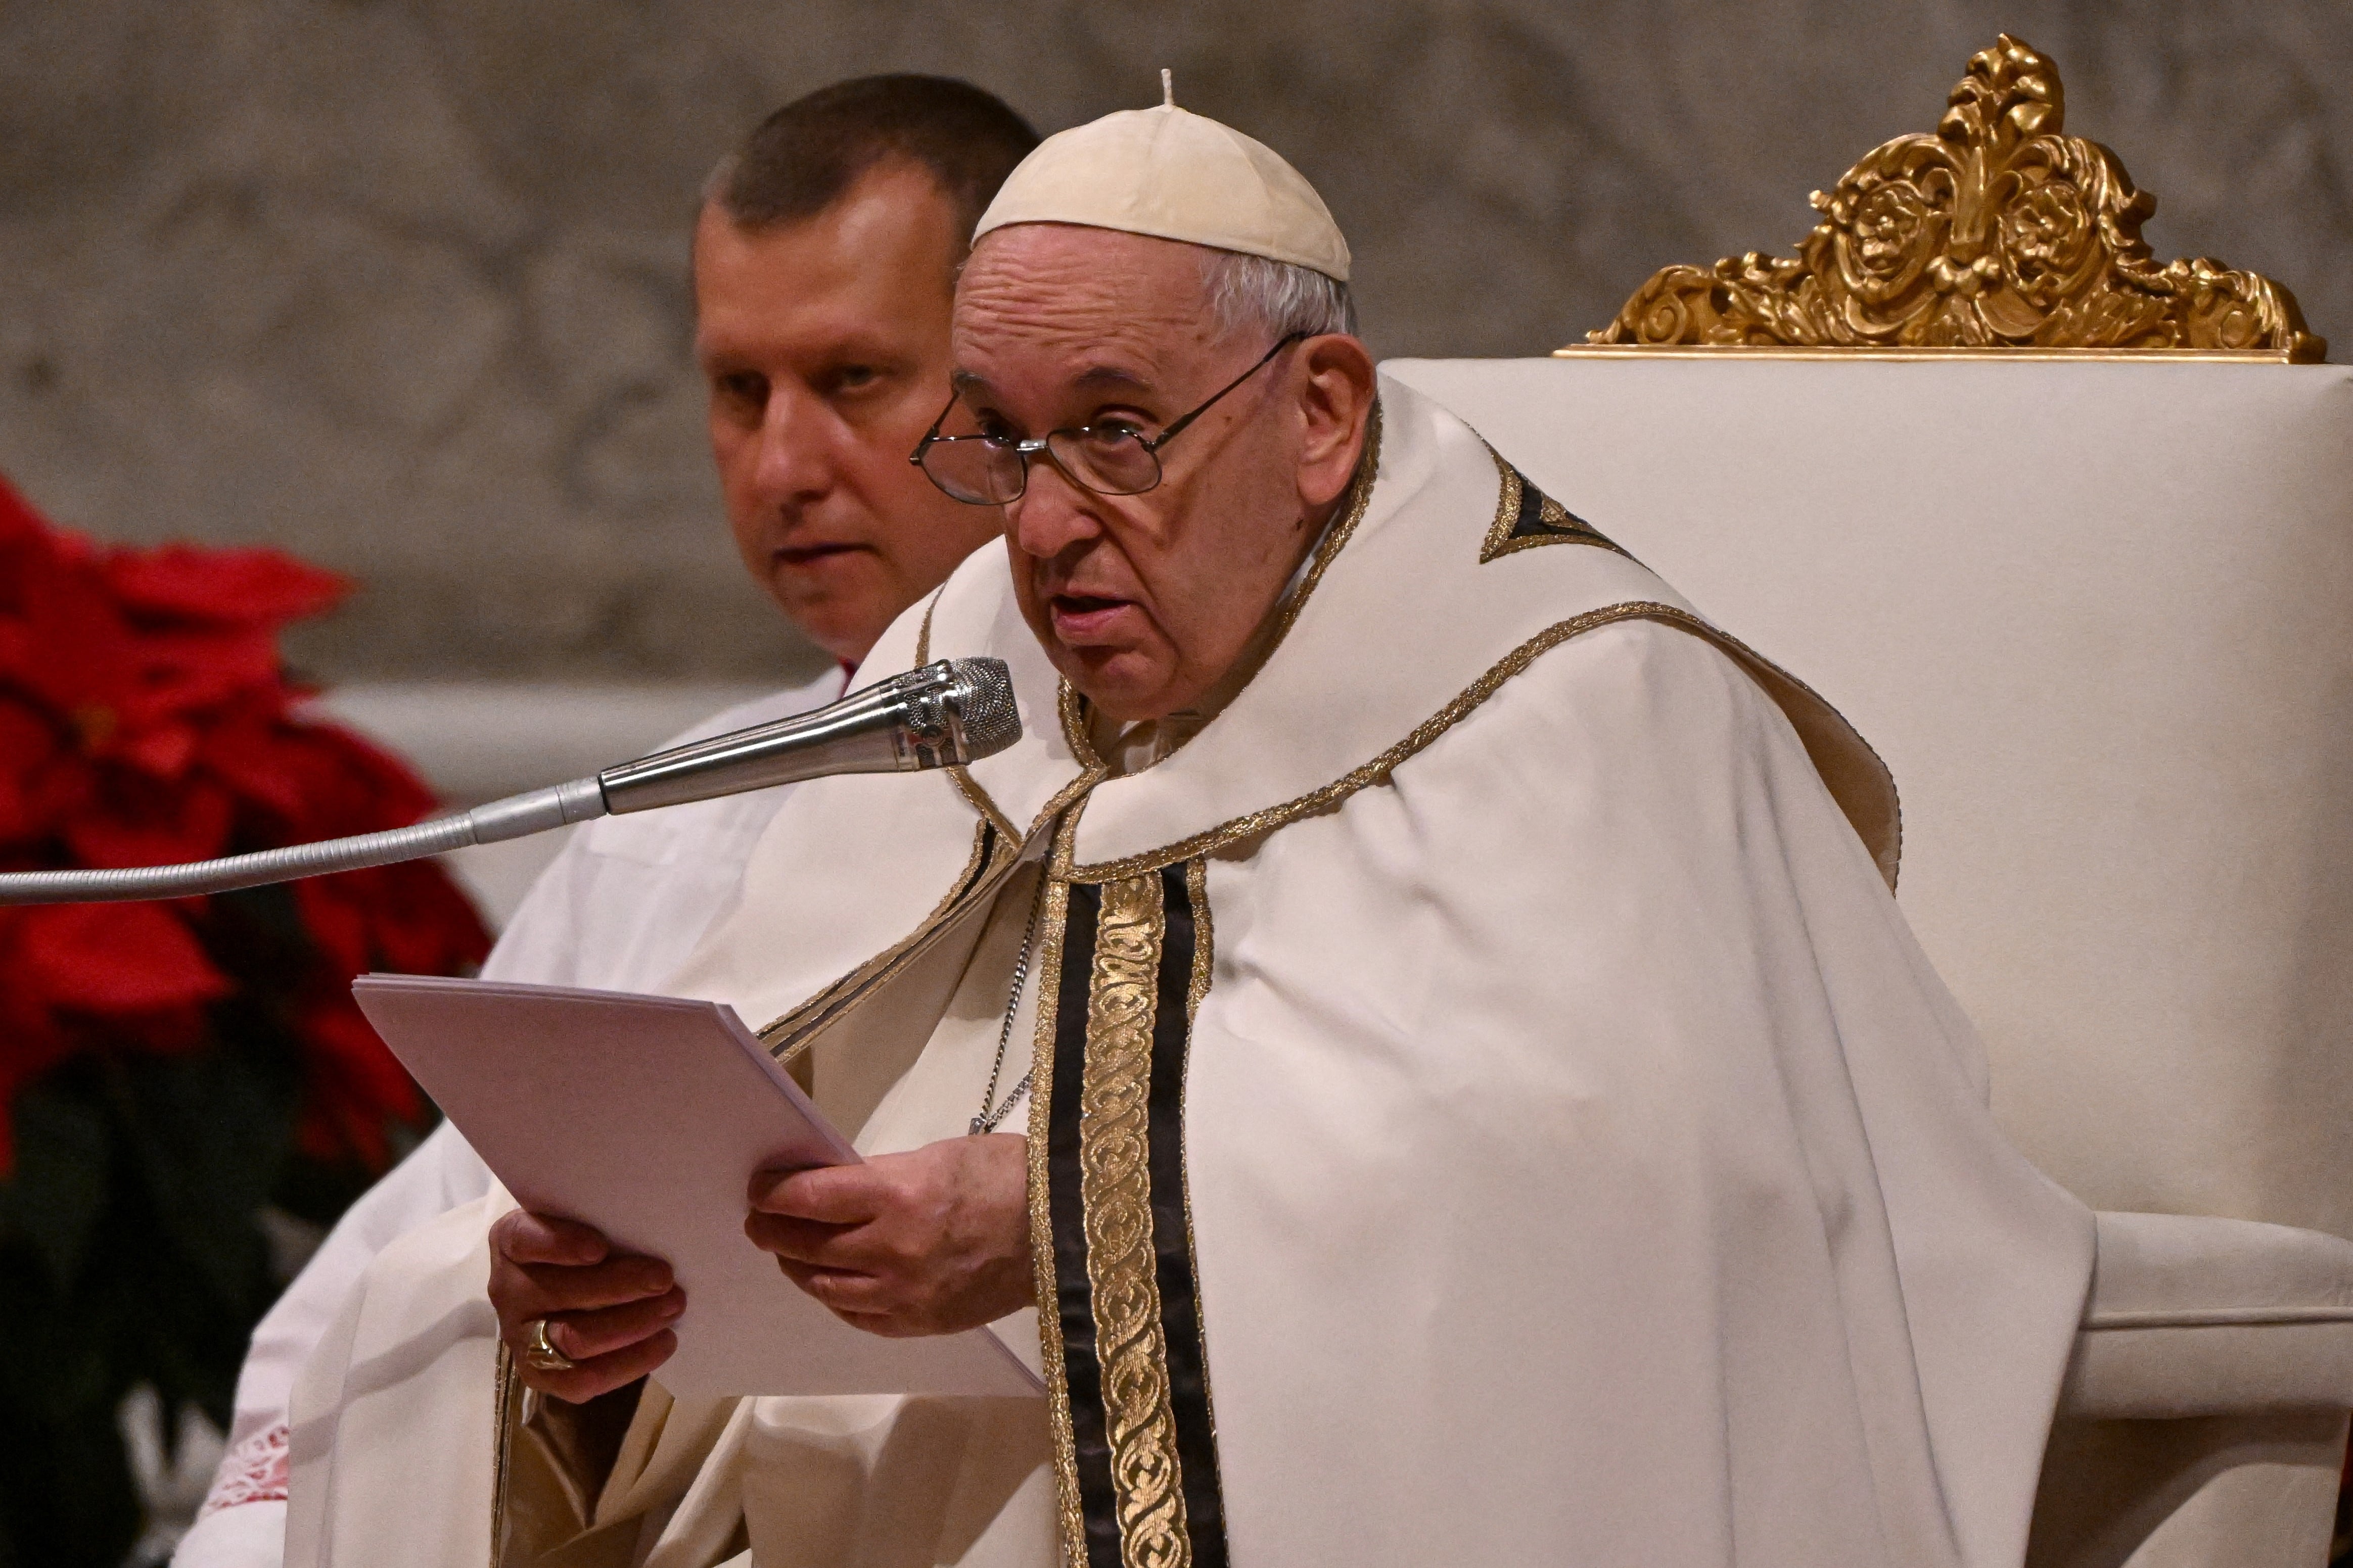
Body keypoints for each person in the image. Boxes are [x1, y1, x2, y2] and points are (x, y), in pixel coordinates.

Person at [289, 89, 2096, 1568]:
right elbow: (781, 1128)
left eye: (1118, 433)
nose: (1046, 526)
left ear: (1320, 416)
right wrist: (610, 1328)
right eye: (997, 441)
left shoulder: (1580, 695)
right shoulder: (961, 670)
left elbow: (1654, 1190)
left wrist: (1072, 1219)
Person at [172, 75, 1037, 1568]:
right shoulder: (671, 823)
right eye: (737, 390)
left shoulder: (1179, 790)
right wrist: (545, 1350)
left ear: (1017, 391)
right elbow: (392, 1290)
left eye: (854, 382)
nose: (780, 467)